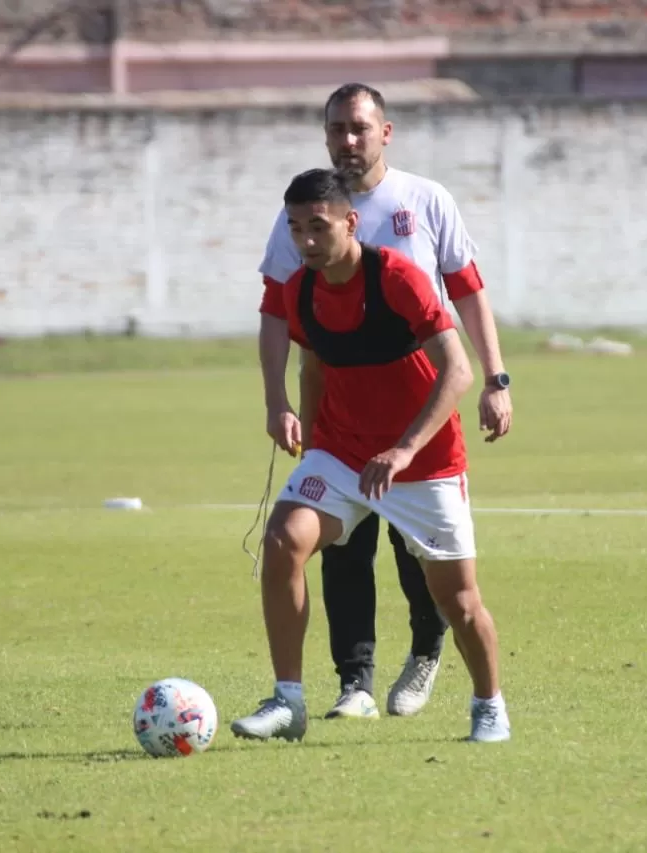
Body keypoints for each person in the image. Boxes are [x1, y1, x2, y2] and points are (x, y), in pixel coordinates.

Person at [256, 83, 514, 721]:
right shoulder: (301, 229)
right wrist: (285, 407)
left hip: (419, 432)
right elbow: (288, 326)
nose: (347, 140)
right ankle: (340, 687)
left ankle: (452, 673)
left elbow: (466, 294)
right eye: (336, 129)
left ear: (384, 132)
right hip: (343, 433)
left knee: (444, 589)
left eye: (358, 128)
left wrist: (495, 379)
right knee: (310, 544)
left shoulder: (419, 210)